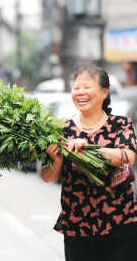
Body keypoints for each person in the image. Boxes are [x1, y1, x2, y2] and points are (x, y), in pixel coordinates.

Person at [41, 65, 137, 261]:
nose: (80, 93)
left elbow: (127, 156)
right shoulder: (62, 131)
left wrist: (88, 148)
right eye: (76, 88)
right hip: (77, 225)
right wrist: (55, 161)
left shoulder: (121, 124)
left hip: (120, 222)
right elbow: (47, 177)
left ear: (104, 92)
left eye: (87, 87)